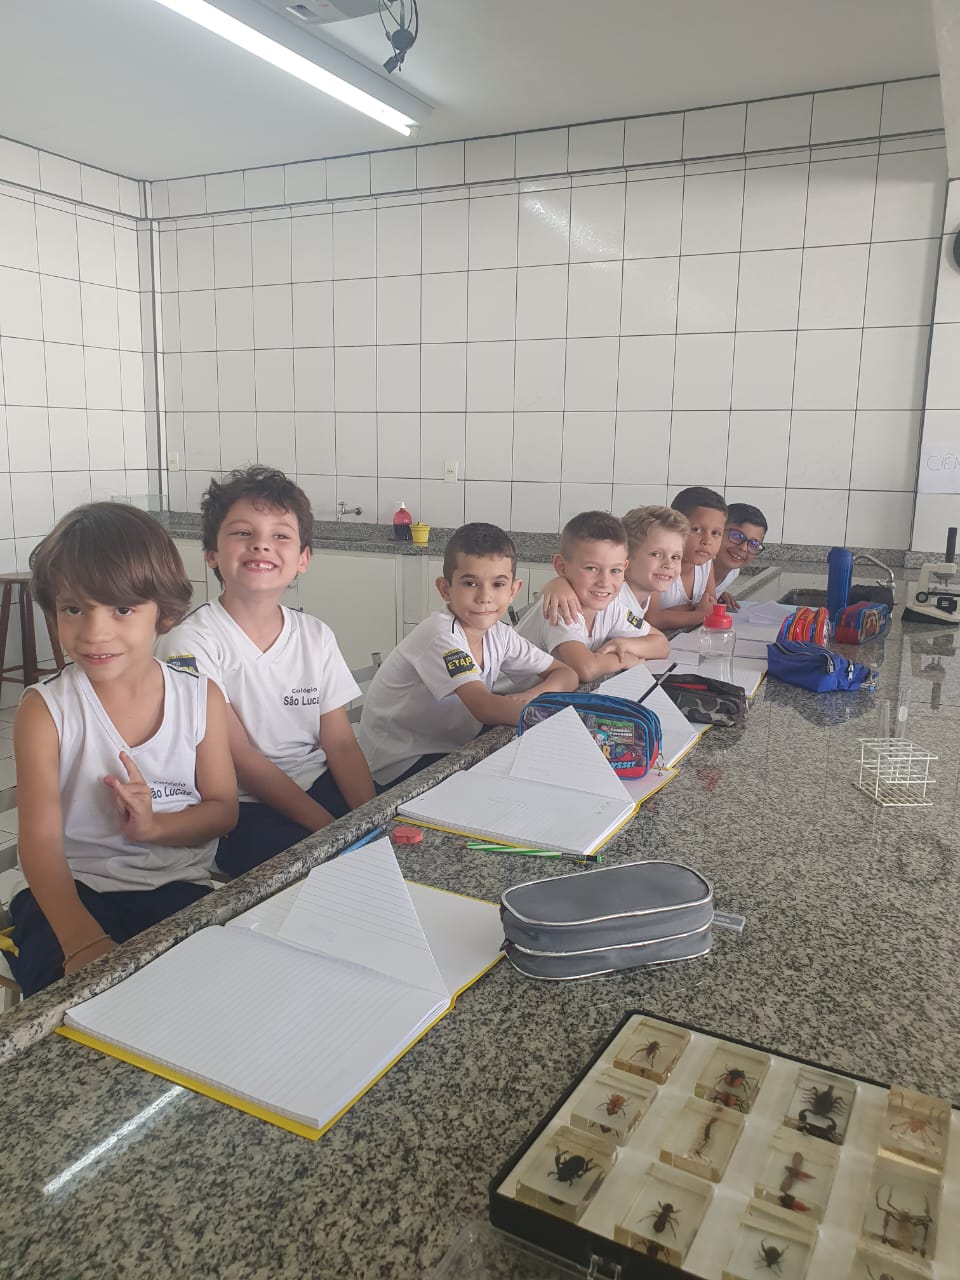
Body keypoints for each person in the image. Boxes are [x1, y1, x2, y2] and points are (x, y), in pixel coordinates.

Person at [9, 503, 237, 997]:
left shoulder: (201, 698)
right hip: (69, 893)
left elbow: (223, 810)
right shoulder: (46, 711)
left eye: (122, 609)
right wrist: (81, 941)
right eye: (74, 609)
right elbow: (41, 845)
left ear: (164, 611)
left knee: (200, 999)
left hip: (176, 885)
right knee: (70, 1009)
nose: (95, 632)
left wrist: (155, 827)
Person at [158, 467, 375, 878]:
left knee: (397, 843)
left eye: (280, 535)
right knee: (327, 875)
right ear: (211, 553)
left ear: (303, 559)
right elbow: (240, 759)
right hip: (242, 808)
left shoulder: (315, 635)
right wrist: (331, 831)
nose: (261, 545)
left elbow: (341, 743)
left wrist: (372, 817)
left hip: (319, 784)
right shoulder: (190, 643)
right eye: (243, 533)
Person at [357, 523, 577, 789]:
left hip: (450, 743)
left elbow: (566, 674)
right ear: (445, 589)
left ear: (513, 591)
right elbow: (484, 707)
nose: (485, 597)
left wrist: (531, 696)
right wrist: (556, 717)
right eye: (470, 583)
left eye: (498, 584)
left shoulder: (499, 634)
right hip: (399, 762)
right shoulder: (441, 635)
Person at [513, 511, 670, 682]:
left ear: (625, 568)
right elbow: (586, 670)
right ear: (562, 567)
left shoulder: (612, 607)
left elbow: (661, 644)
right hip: (502, 694)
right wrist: (622, 659)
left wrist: (624, 645)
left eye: (615, 570)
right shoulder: (561, 607)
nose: (604, 582)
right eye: (591, 568)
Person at [539, 505, 688, 628]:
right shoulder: (606, 597)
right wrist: (557, 584)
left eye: (675, 557)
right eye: (656, 554)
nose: (669, 564)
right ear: (626, 557)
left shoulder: (641, 597)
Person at [644, 487, 728, 631]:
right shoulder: (658, 563)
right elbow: (653, 619)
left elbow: (712, 606)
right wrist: (699, 614)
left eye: (715, 533)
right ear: (674, 527)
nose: (707, 541)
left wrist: (673, 614)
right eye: (697, 530)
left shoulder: (706, 564)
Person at [714, 502, 768, 612]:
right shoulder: (693, 568)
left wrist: (717, 593)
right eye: (737, 535)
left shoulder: (733, 572)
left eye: (754, 544)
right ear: (716, 532)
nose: (743, 548)